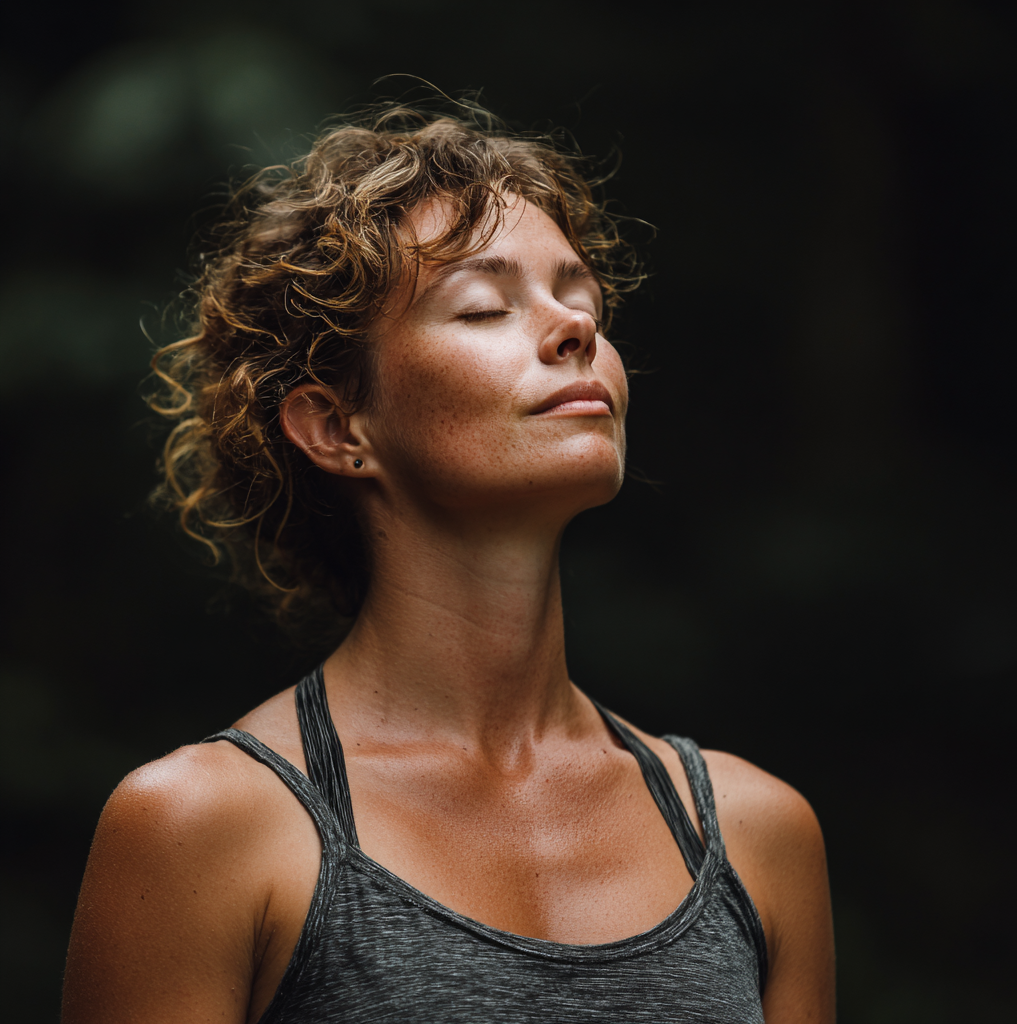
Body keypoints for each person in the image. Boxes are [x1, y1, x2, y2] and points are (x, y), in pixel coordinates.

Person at [62, 101, 835, 1023]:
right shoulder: (206, 827)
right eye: (483, 306)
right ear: (337, 426)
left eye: (578, 295)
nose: (572, 330)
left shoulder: (753, 834)